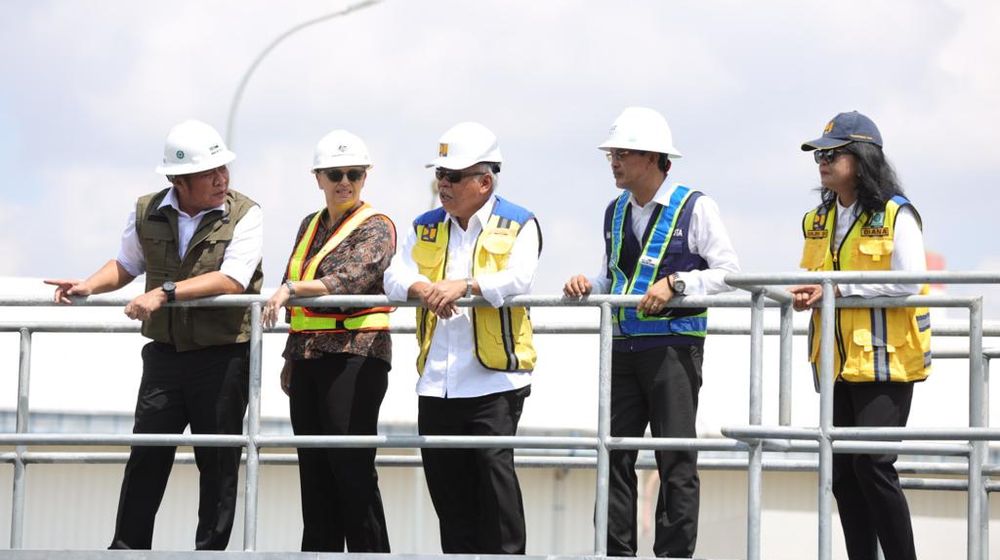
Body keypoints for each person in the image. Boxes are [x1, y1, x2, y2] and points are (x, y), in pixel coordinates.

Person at [44, 119, 263, 550]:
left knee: (218, 463)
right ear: (178, 180)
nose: (222, 179)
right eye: (210, 172)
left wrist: (165, 294)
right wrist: (88, 285)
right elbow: (126, 264)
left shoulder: (246, 213)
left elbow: (233, 280)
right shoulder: (146, 209)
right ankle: (126, 551)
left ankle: (210, 555)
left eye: (224, 169)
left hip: (223, 357)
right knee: (147, 454)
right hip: (165, 354)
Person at [563, 107, 740, 558]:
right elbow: (614, 276)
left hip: (675, 348)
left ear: (653, 157)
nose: (614, 162)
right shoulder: (615, 211)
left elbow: (728, 273)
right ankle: (615, 553)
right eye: (611, 155)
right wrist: (589, 285)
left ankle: (674, 555)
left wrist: (678, 284)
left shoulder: (697, 207)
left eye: (621, 153)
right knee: (613, 453)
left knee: (675, 456)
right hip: (624, 348)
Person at [383, 121, 542, 554]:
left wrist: (465, 286)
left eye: (453, 177)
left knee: (496, 492)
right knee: (449, 498)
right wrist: (419, 288)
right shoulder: (425, 225)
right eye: (440, 175)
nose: (443, 185)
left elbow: (519, 278)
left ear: (484, 181)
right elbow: (394, 274)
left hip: (495, 381)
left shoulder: (519, 223)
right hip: (437, 383)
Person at [790, 111, 930, 560]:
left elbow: (910, 281)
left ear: (862, 157)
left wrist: (838, 288)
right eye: (819, 155)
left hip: (886, 361)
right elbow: (809, 275)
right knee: (844, 472)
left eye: (833, 153)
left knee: (873, 463)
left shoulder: (896, 213)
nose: (822, 162)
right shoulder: (817, 218)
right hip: (836, 362)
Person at [261, 130, 395, 552]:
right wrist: (290, 358)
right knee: (314, 472)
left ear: (365, 176)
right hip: (308, 358)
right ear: (318, 177)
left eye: (354, 173)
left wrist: (291, 290)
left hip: (356, 358)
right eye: (335, 173)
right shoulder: (309, 224)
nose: (345, 182)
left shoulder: (376, 226)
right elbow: (294, 276)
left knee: (351, 470)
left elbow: (352, 279)